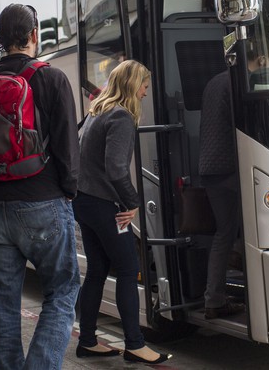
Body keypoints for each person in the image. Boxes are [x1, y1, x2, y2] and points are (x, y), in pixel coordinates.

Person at [0, 3, 80, 370]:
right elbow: (67, 148)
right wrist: (66, 191)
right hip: (43, 200)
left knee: (3, 302)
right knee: (61, 293)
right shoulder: (50, 78)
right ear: (33, 36)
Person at [74, 60, 172, 365]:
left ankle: (87, 341)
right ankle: (135, 345)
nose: (145, 92)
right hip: (107, 207)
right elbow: (116, 169)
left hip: (84, 201)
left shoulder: (96, 111)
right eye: (144, 85)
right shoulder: (121, 116)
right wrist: (132, 203)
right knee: (130, 270)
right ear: (132, 84)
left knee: (97, 271)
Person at [197, 43, 269, 320]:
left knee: (225, 233)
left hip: (210, 167)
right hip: (233, 167)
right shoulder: (243, 84)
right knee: (254, 231)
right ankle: (260, 296)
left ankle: (214, 299)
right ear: (261, 58)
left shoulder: (215, 81)